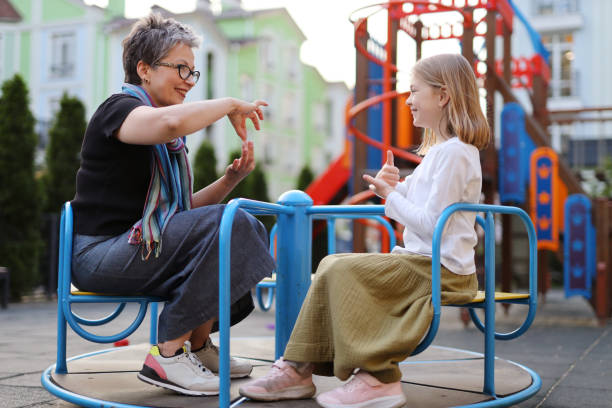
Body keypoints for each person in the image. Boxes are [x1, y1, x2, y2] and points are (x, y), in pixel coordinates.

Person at [239, 53, 490, 407]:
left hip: (441, 270)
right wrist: (395, 186)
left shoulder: (454, 153)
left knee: (340, 268)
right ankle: (299, 367)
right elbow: (423, 204)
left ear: (443, 96)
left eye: (415, 91)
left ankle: (377, 378)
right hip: (427, 262)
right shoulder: (441, 152)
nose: (408, 100)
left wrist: (390, 196)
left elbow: (433, 224)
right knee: (331, 263)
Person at [70, 13, 275, 396]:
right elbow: (167, 124)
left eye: (192, 72)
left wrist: (231, 180)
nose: (188, 80)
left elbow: (183, 216)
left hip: (138, 246)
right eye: (180, 68)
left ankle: (196, 347)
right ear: (144, 69)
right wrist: (229, 103)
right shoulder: (119, 110)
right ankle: (167, 355)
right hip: (99, 254)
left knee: (237, 224)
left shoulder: (168, 141)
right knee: (232, 224)